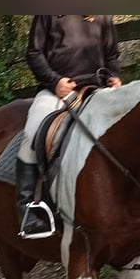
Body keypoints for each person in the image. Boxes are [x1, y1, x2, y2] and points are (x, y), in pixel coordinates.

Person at [16, 15, 122, 238]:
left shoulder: (102, 15)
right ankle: (29, 210)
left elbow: (111, 55)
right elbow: (34, 53)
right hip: (58, 91)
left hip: (98, 91)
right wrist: (54, 81)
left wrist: (114, 77)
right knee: (33, 132)